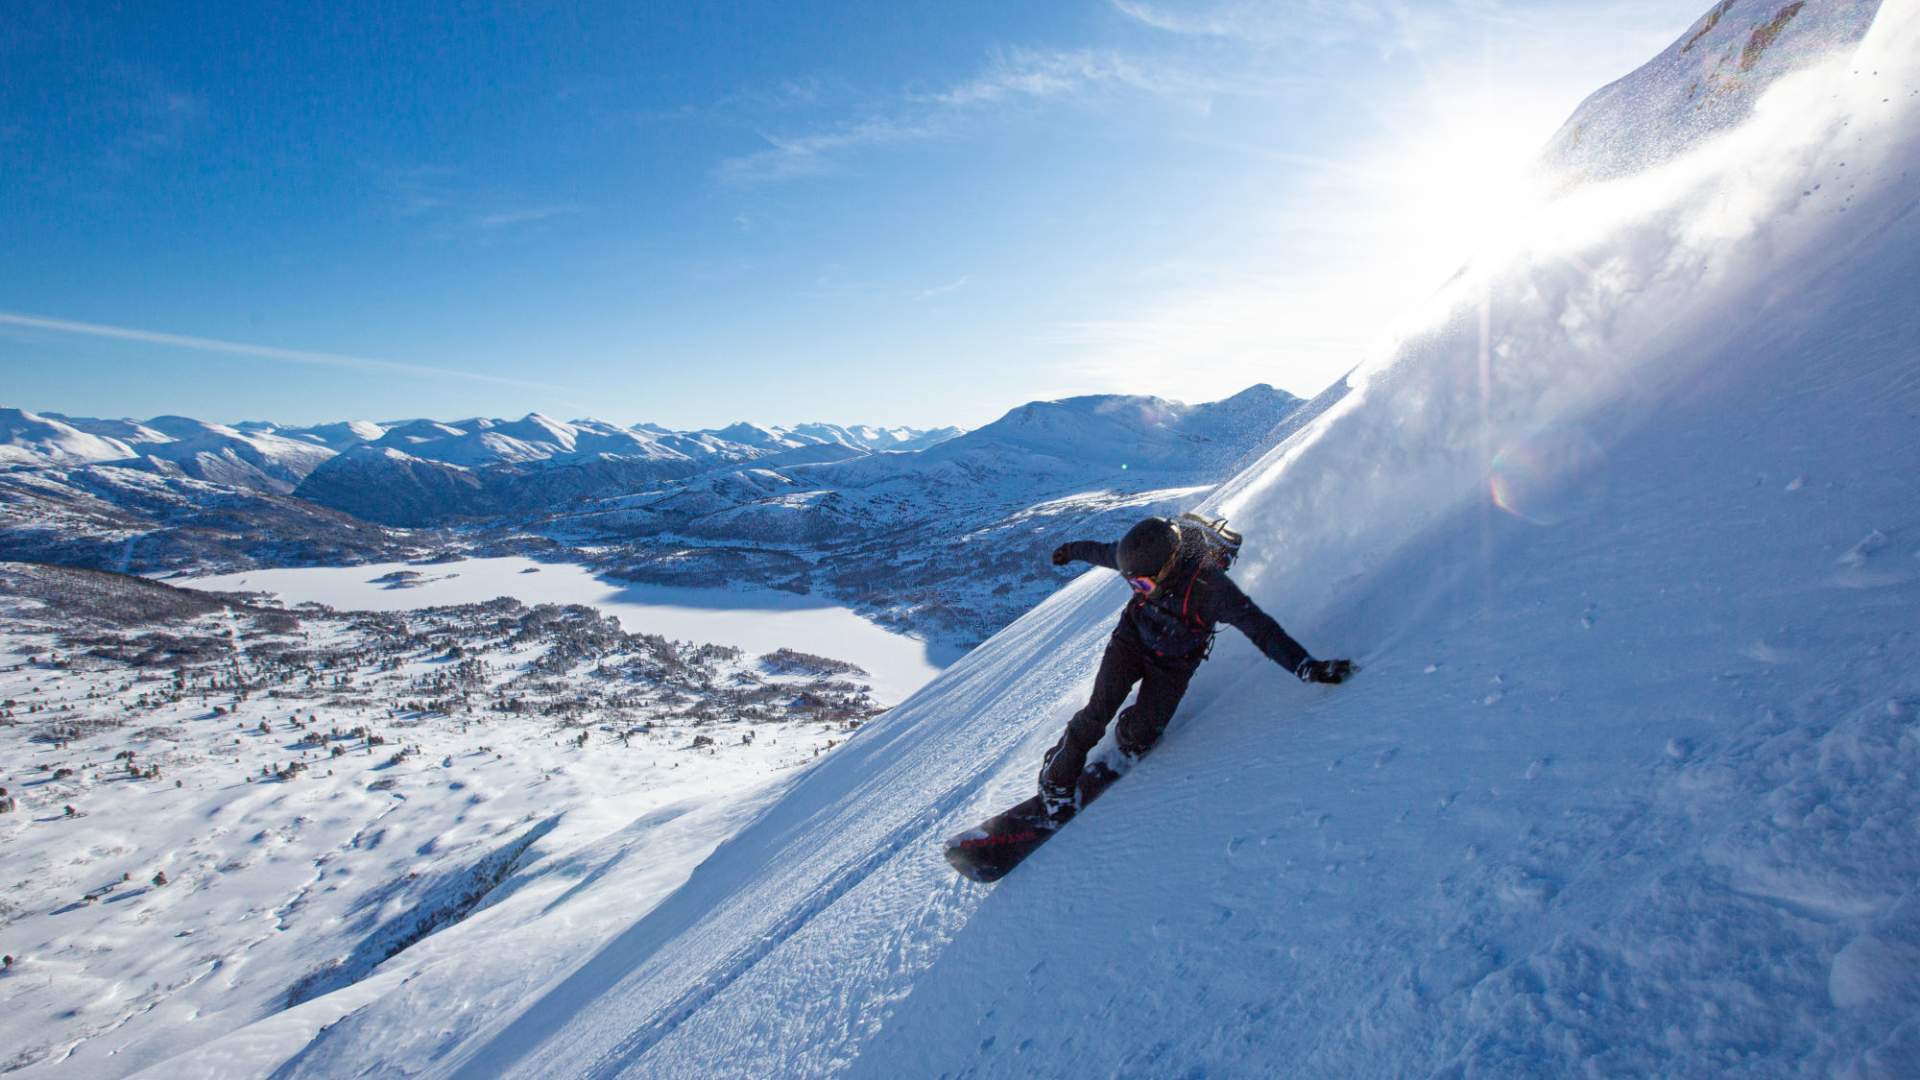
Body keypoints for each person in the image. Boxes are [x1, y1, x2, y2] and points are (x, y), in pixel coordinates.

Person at [1038, 516, 1352, 818]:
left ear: (1169, 565)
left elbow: (1262, 631)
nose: (1137, 589)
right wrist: (1070, 551)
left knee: (1143, 734)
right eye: (1132, 583)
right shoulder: (1136, 558)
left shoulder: (1211, 590)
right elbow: (1100, 551)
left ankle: (1130, 732)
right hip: (1130, 643)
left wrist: (1306, 667)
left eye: (1144, 586)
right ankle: (1055, 779)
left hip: (1174, 664)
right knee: (1096, 713)